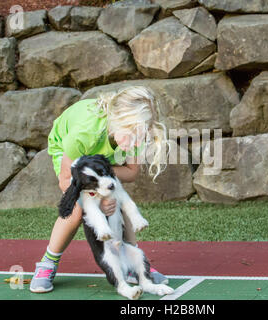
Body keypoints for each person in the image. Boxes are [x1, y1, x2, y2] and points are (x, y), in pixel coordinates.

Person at [30, 86, 169, 293]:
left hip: (99, 161)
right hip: (70, 154)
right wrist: (93, 187)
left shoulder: (135, 133)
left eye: (141, 137)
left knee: (119, 201)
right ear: (116, 121)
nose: (137, 143)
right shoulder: (86, 133)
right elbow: (66, 180)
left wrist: (101, 172)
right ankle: (47, 263)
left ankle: (132, 265)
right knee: (77, 210)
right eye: (132, 136)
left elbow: (131, 172)